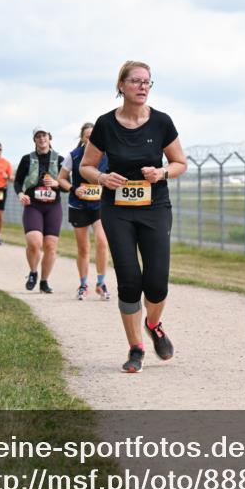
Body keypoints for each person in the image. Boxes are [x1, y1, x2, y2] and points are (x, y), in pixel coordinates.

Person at [81, 60, 188, 373]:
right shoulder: (105, 124)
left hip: (155, 208)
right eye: (136, 81)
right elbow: (86, 167)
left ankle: (153, 325)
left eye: (147, 82)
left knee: (156, 282)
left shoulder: (162, 122)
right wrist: (102, 179)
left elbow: (180, 162)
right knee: (129, 281)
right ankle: (135, 348)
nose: (143, 87)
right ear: (121, 86)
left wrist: (162, 172)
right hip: (117, 211)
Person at [58, 122, 111, 301]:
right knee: (83, 248)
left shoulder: (107, 155)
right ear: (82, 138)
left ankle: (101, 283)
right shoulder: (73, 156)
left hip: (100, 205)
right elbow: (61, 179)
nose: (91, 139)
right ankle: (83, 284)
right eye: (87, 136)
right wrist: (74, 189)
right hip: (79, 205)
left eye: (93, 136)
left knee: (102, 242)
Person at [15, 126, 64, 294]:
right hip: (33, 205)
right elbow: (17, 182)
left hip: (52, 206)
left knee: (50, 245)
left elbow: (66, 185)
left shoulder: (60, 159)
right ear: (34, 140)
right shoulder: (27, 159)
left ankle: (44, 281)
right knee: (34, 243)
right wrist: (21, 194)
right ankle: (33, 272)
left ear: (50, 137)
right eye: (38, 136)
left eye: (44, 135)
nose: (41, 139)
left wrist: (57, 183)